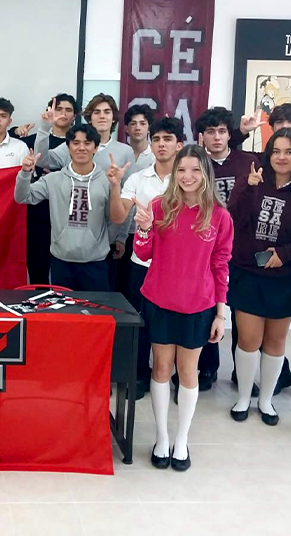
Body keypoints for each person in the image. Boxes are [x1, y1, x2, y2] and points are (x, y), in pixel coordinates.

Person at [132, 145, 233, 471]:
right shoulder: (160, 206)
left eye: (194, 170)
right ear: (174, 174)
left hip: (199, 305)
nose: (187, 176)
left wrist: (221, 313)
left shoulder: (219, 216)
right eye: (181, 170)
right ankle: (162, 438)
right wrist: (144, 228)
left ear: (205, 173)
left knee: (188, 372)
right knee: (161, 369)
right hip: (159, 300)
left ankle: (181, 440)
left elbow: (221, 265)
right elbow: (143, 254)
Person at [228, 129, 291, 425]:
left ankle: (266, 402)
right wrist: (247, 188)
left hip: (283, 276)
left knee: (275, 343)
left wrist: (285, 255)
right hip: (248, 272)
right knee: (248, 339)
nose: (281, 157)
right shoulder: (254, 178)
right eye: (276, 151)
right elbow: (233, 220)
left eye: (288, 152)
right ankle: (243, 397)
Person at [108, 117, 184, 400]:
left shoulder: (189, 177)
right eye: (157, 139)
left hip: (179, 267)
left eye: (167, 139)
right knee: (141, 321)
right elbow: (118, 216)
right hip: (143, 264)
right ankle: (138, 375)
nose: (161, 144)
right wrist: (116, 185)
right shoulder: (138, 179)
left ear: (179, 144)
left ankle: (176, 376)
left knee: (175, 323)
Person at [195, 106, 256, 392]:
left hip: (243, 249)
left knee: (242, 313)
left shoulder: (248, 162)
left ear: (230, 134)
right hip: (207, 250)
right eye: (210, 132)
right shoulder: (196, 167)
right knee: (209, 309)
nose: (217, 137)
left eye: (222, 131)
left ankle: (241, 374)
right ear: (202, 136)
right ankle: (207, 368)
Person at [14, 125, 114, 291]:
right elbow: (23, 197)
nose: (81, 147)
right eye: (75, 143)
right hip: (61, 261)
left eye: (87, 143)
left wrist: (108, 241)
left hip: (96, 262)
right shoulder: (53, 179)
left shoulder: (107, 180)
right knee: (63, 314)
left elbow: (114, 219)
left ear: (95, 148)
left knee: (96, 315)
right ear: (68, 148)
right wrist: (25, 173)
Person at [14, 94, 79, 284]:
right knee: (37, 263)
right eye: (59, 109)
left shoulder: (79, 143)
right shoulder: (33, 140)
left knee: (64, 267)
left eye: (68, 110)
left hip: (67, 211)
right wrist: (14, 130)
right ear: (50, 112)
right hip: (38, 209)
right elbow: (10, 142)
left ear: (75, 115)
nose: (63, 114)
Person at [110, 104, 157, 299]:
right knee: (120, 283)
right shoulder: (120, 154)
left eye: (142, 123)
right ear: (126, 128)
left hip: (148, 232)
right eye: (132, 123)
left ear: (149, 127)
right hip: (122, 229)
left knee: (141, 286)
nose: (138, 127)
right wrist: (120, 235)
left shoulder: (156, 156)